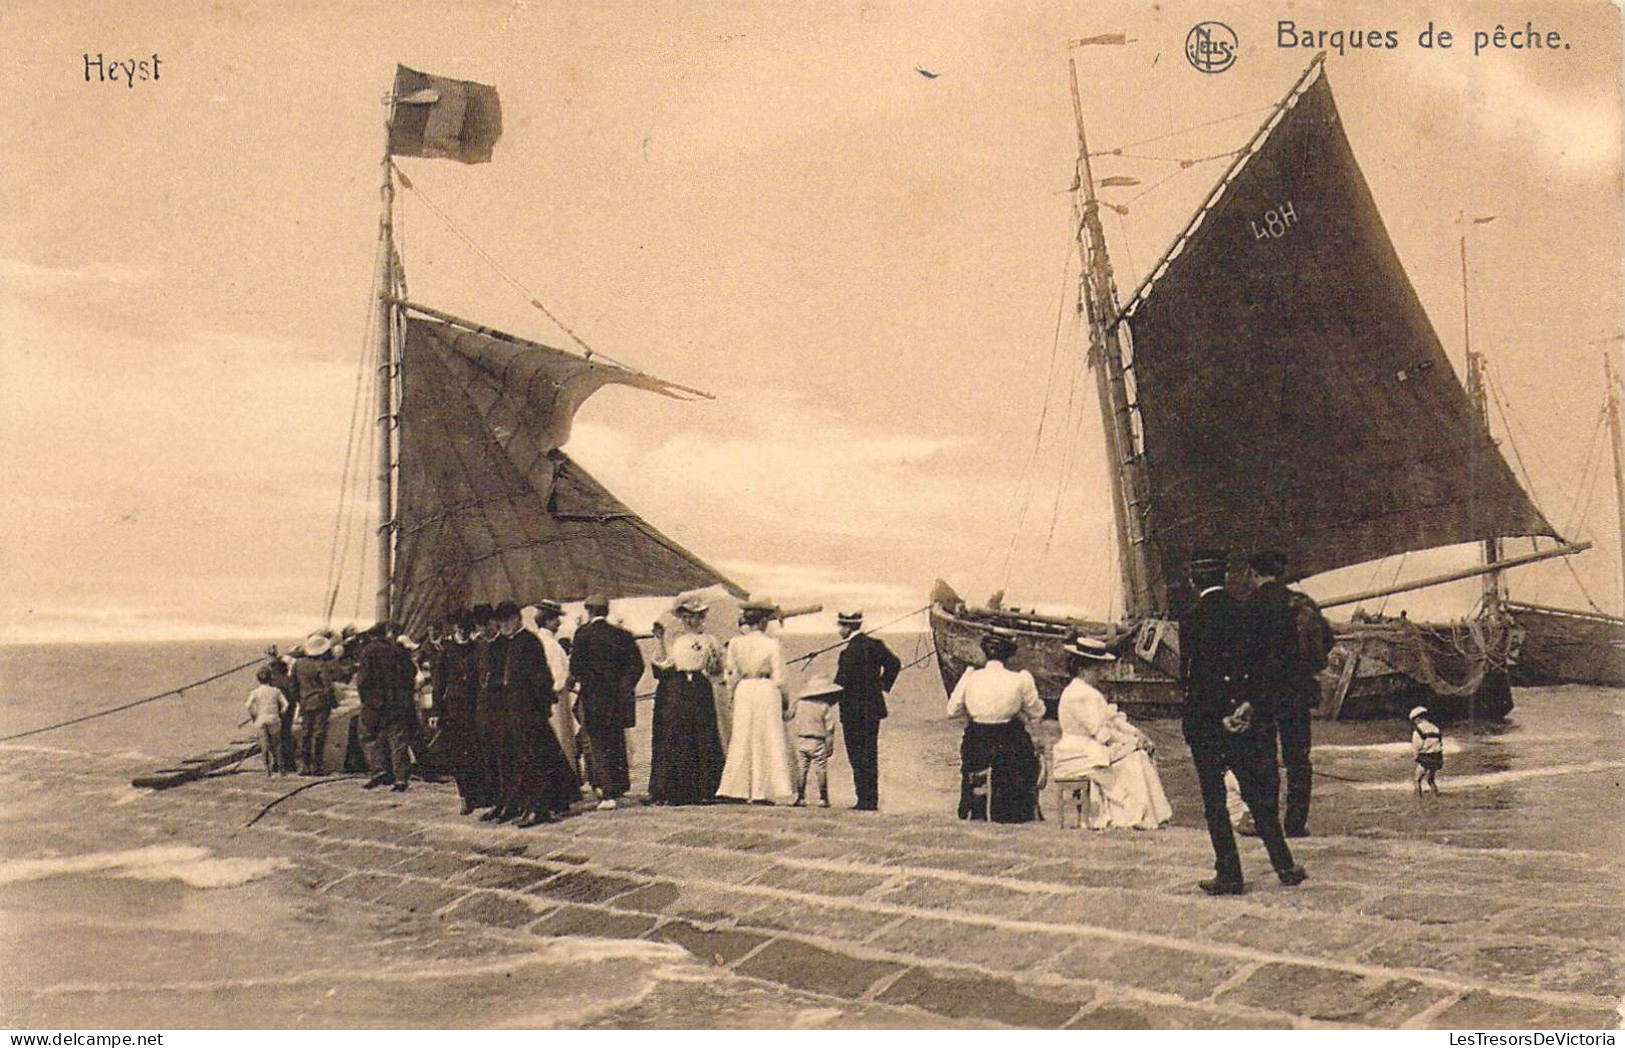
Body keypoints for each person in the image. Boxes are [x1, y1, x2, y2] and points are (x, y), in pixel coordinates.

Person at [1179, 549, 1306, 895]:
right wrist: (1247, 705)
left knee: (1215, 802)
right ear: (1225, 577)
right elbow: (1264, 667)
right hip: (1245, 719)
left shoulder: (1190, 619)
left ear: (1193, 581)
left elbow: (1193, 678)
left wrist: (1215, 716)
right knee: (1257, 794)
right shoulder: (1246, 611)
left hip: (1207, 724)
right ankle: (1284, 865)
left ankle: (1230, 874)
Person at [1243, 550, 1330, 838]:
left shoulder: (1247, 607)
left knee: (1262, 758)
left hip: (1260, 695)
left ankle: (1265, 821)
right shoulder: (1300, 604)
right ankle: (1295, 823)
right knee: (1298, 759)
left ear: (1254, 574)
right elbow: (1326, 642)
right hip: (1296, 693)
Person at [1052, 637, 1171, 830]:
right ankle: (1137, 815)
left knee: (1136, 754)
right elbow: (1103, 734)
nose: (1101, 673)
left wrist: (1137, 734)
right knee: (1135, 758)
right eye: (1097, 669)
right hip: (1078, 752)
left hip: (1084, 748)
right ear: (1083, 669)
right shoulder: (1082, 695)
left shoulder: (1084, 691)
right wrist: (1132, 742)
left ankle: (1149, 814)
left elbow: (1112, 719)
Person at [496, 601, 580, 826]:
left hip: (530, 712)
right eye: (501, 622)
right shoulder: (512, 642)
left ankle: (539, 809)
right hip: (516, 711)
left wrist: (541, 708)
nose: (503, 625)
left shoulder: (529, 641)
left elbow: (541, 678)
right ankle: (532, 806)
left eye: (507, 620)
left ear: (517, 619)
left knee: (534, 760)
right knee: (527, 760)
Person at [946, 633, 1044, 824]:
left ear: (985, 654)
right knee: (1024, 752)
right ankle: (1018, 810)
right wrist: (1016, 709)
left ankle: (973, 807)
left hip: (977, 739)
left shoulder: (970, 676)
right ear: (1009, 656)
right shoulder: (1021, 679)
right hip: (1008, 739)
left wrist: (973, 709)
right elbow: (1037, 712)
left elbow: (952, 711)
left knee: (974, 759)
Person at [647, 596, 727, 805]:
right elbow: (662, 665)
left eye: (697, 617)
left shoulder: (710, 640)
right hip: (677, 686)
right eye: (688, 617)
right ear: (682, 618)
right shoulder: (674, 640)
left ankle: (704, 789)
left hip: (700, 686)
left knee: (703, 734)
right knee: (676, 735)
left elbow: (718, 670)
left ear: (702, 618)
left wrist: (714, 663)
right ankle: (674, 790)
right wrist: (660, 640)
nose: (692, 621)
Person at [569, 594, 644, 811]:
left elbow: (576, 667)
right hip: (618, 699)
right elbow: (637, 666)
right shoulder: (623, 635)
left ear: (589, 611)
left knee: (598, 744)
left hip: (593, 697)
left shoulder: (582, 634)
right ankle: (620, 785)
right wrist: (623, 688)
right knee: (616, 740)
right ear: (607, 611)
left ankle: (608, 793)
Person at [717, 600, 795, 804]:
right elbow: (780, 676)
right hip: (766, 688)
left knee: (741, 736)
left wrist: (731, 696)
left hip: (744, 687)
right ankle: (761, 792)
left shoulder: (735, 643)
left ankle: (737, 790)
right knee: (766, 735)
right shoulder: (772, 644)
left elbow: (731, 673)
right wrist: (786, 701)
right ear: (763, 622)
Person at [833, 609, 901, 811]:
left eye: (840, 626)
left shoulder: (846, 653)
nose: (839, 630)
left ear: (847, 627)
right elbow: (895, 663)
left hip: (852, 712)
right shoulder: (875, 645)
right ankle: (870, 800)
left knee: (856, 756)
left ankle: (863, 800)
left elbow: (840, 684)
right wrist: (882, 685)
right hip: (872, 709)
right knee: (870, 754)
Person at [434, 612, 491, 815]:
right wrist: (436, 712)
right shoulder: (446, 652)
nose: (464, 632)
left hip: (476, 706)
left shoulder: (477, 648)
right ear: (455, 629)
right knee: (459, 755)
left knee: (477, 752)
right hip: (454, 709)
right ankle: (465, 797)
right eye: (461, 628)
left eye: (467, 628)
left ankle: (481, 796)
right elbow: (438, 684)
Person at [356, 623, 417, 792]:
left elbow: (362, 680)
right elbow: (410, 673)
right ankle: (401, 779)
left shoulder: (367, 652)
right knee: (397, 740)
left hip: (374, 703)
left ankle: (379, 770)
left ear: (371, 636)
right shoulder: (396, 651)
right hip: (395, 702)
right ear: (386, 634)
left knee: (369, 736)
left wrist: (366, 700)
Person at [471, 604, 515, 821]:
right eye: (478, 627)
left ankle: (510, 802)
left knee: (504, 757)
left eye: (483, 626)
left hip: (501, 710)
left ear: (492, 623)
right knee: (489, 758)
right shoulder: (480, 646)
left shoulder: (506, 645)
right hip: (484, 710)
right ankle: (498, 802)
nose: (481, 631)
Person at [530, 600, 577, 777]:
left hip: (550, 695)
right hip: (556, 696)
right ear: (547, 620)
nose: (558, 622)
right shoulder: (549, 645)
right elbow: (558, 675)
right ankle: (566, 779)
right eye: (555, 619)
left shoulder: (542, 641)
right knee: (561, 738)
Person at [789, 676, 841, 808]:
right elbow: (830, 728)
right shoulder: (824, 706)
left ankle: (800, 797)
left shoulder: (799, 703)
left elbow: (788, 716)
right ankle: (823, 798)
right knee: (821, 770)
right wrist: (830, 745)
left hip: (801, 739)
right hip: (818, 741)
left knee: (801, 769)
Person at [292, 634, 338, 775]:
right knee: (319, 734)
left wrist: (299, 699)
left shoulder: (298, 664)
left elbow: (293, 684)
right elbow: (328, 687)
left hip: (305, 702)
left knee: (306, 733)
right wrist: (333, 702)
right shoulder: (321, 665)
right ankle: (317, 766)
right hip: (320, 703)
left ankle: (304, 765)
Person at [246, 667, 290, 777]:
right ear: (271, 678)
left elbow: (248, 705)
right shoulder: (276, 691)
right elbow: (286, 704)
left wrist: (253, 716)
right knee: (278, 745)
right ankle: (281, 769)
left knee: (265, 746)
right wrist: (281, 713)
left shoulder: (255, 692)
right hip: (274, 719)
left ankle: (267, 771)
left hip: (261, 719)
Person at [262, 649, 300, 775]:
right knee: (285, 736)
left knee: (277, 739)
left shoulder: (276, 682)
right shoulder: (287, 680)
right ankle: (287, 764)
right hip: (288, 710)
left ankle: (279, 764)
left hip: (280, 712)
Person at [1410, 705, 1443, 798]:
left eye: (1414, 720)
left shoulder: (1418, 730)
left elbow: (1416, 747)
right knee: (1431, 780)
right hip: (1437, 756)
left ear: (1417, 718)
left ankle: (1419, 801)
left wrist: (1416, 757)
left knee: (1417, 780)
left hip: (1426, 757)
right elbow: (1440, 743)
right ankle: (1436, 798)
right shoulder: (1435, 728)